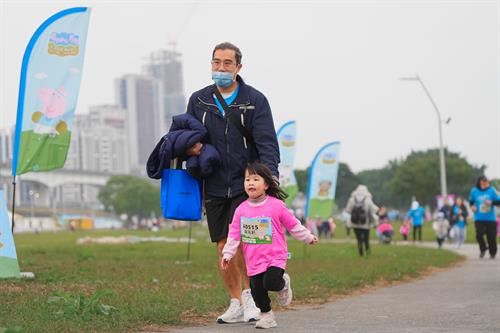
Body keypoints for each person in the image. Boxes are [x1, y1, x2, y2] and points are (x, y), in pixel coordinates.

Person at [185, 42, 280, 323]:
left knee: (248, 243)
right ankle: (235, 301)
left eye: (227, 63)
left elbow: (267, 143)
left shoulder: (255, 100)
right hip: (213, 182)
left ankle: (253, 299)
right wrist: (190, 148)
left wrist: (268, 179)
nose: (221, 68)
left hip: (247, 184)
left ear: (239, 67)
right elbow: (184, 135)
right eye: (217, 62)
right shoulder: (198, 100)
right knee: (223, 245)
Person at [221, 163, 318, 329]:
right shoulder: (241, 210)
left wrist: (308, 237)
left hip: (275, 256)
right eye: (247, 179)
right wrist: (227, 254)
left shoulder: (276, 205)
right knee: (257, 291)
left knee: (271, 282)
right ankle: (266, 316)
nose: (250, 183)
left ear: (266, 184)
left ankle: (283, 284)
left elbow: (293, 225)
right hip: (253, 259)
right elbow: (234, 235)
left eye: (255, 179)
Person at [468, 175, 500, 259]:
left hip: (491, 218)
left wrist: (492, 202)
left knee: (491, 236)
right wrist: (472, 207)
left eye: (485, 183)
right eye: (481, 183)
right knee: (479, 234)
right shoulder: (474, 191)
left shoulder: (492, 190)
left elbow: (499, 201)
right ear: (479, 183)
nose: (483, 185)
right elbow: (471, 201)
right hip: (479, 217)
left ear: (487, 183)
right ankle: (483, 248)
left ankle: (492, 252)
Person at [345, 185, 379, 256]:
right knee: (366, 238)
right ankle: (367, 251)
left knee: (358, 238)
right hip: (365, 223)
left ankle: (360, 252)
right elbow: (373, 210)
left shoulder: (352, 199)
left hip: (354, 222)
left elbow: (348, 210)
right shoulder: (367, 199)